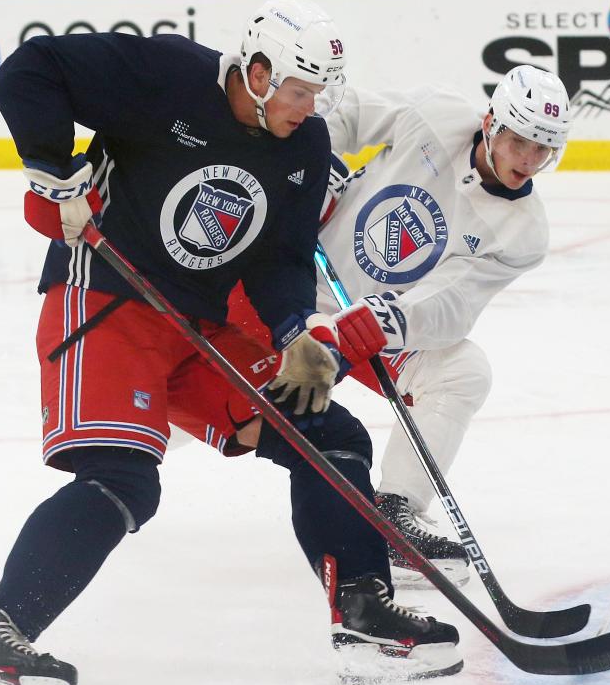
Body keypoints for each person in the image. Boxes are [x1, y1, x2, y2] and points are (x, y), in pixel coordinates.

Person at [0, 0, 461, 685]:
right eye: (298, 90)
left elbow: (279, 260)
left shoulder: (303, 147)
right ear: (256, 71)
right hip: (106, 298)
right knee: (124, 478)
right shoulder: (166, 74)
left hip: (199, 322)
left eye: (319, 94)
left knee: (328, 433)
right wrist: (50, 166)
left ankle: (365, 619)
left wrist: (293, 334)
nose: (310, 109)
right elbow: (33, 69)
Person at [232, 64, 572, 588]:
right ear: (490, 123)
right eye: (519, 140)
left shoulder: (523, 233)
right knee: (192, 402)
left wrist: (372, 323)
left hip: (370, 328)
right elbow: (342, 116)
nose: (527, 159)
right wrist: (312, 169)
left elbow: (450, 303)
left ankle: (394, 514)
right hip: (289, 280)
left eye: (541, 149)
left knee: (463, 372)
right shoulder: (436, 115)